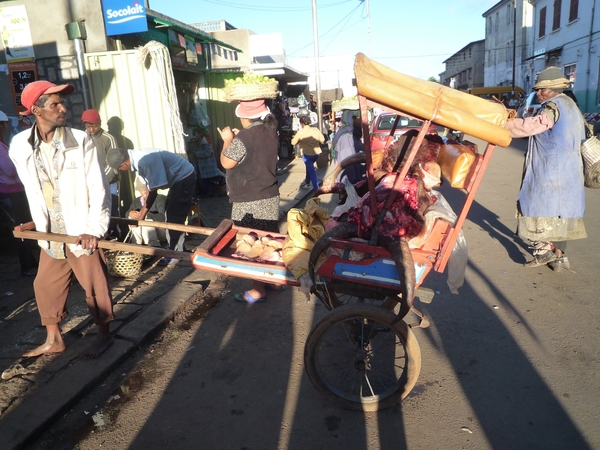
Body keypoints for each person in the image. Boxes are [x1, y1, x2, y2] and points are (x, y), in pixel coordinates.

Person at [9, 80, 114, 358]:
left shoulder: (80, 140)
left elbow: (99, 188)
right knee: (44, 285)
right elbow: (33, 189)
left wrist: (94, 228)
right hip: (51, 233)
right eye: (54, 104)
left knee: (94, 284)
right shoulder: (20, 146)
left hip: (80, 229)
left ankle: (104, 335)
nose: (63, 108)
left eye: (62, 102)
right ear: (36, 110)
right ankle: (54, 339)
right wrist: (33, 221)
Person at [504, 67, 587, 272]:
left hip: (551, 171)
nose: (539, 93)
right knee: (562, 215)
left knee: (531, 206)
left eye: (542, 90)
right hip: (570, 170)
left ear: (553, 88)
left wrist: (503, 125)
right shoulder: (572, 105)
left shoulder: (553, 106)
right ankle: (559, 258)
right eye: (538, 90)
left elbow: (533, 126)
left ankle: (543, 252)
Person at [217, 98, 282, 303]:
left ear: (245, 118)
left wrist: (227, 139)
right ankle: (274, 280)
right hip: (269, 195)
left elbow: (227, 162)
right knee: (270, 240)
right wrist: (237, 139)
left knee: (252, 243)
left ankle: (257, 289)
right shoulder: (270, 131)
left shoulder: (245, 135)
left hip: (249, 199)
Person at [106, 147, 196, 264]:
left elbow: (153, 191)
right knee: (171, 213)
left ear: (124, 164)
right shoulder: (137, 158)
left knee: (174, 215)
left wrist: (143, 214)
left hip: (184, 177)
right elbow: (150, 187)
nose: (122, 170)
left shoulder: (143, 161)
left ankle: (176, 254)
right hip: (178, 178)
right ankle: (176, 250)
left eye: (120, 168)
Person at [0, 110, 38, 276]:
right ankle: (27, 265)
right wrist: (21, 160)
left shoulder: (2, 145)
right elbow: (9, 170)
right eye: (4, 124)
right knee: (21, 228)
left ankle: (31, 262)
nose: (5, 127)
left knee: (25, 227)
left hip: (15, 191)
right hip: (11, 193)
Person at [81, 109, 120, 238]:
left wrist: (103, 180)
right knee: (94, 209)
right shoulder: (81, 138)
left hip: (110, 181)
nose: (92, 129)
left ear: (100, 124)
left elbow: (114, 163)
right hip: (90, 183)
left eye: (95, 126)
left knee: (111, 208)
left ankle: (114, 235)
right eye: (89, 127)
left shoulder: (109, 139)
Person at [126, 177, 167, 247]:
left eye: (145, 189)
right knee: (131, 218)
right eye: (141, 190)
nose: (144, 191)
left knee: (147, 221)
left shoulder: (160, 199)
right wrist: (131, 213)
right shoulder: (137, 201)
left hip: (159, 234)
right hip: (143, 235)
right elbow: (127, 213)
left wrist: (147, 215)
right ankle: (136, 244)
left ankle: (154, 246)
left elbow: (163, 217)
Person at [292, 115, 325, 190]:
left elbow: (293, 142)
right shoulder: (316, 130)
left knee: (312, 171)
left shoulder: (300, 132)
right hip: (317, 154)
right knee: (309, 167)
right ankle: (307, 181)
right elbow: (322, 140)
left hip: (307, 154)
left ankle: (316, 189)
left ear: (301, 124)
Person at [332, 109, 365, 184]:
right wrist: (353, 188)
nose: (363, 120)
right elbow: (347, 168)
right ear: (351, 119)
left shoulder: (353, 135)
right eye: (360, 117)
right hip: (353, 186)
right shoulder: (346, 138)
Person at [187, 127, 220, 197]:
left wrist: (196, 154)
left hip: (207, 165)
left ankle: (209, 193)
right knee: (200, 179)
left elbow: (208, 152)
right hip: (200, 166)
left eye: (195, 134)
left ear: (200, 134)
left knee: (207, 180)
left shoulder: (205, 142)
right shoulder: (195, 143)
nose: (194, 136)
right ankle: (204, 192)